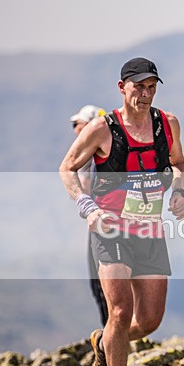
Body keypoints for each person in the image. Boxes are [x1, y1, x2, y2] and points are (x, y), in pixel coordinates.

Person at [59, 57, 184, 366]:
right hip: (111, 229)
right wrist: (87, 207)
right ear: (122, 88)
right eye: (139, 87)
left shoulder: (167, 124)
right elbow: (67, 168)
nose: (145, 94)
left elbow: (179, 163)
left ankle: (104, 343)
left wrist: (179, 191)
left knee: (148, 321)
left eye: (151, 87)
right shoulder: (102, 129)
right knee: (119, 310)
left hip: (149, 229)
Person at [69, 104, 110, 327]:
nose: (75, 130)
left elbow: (84, 186)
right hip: (107, 221)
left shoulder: (92, 155)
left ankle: (112, 336)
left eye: (78, 124)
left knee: (101, 283)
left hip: (102, 223)